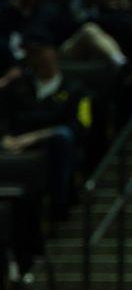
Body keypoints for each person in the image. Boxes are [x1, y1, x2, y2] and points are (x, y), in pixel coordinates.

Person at [0, 33, 91, 218]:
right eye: (37, 55)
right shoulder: (17, 86)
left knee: (63, 136)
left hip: (51, 142)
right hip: (16, 143)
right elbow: (4, 116)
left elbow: (82, 124)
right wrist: (5, 137)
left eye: (45, 53)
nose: (43, 59)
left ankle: (59, 207)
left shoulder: (76, 89)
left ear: (54, 55)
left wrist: (37, 136)